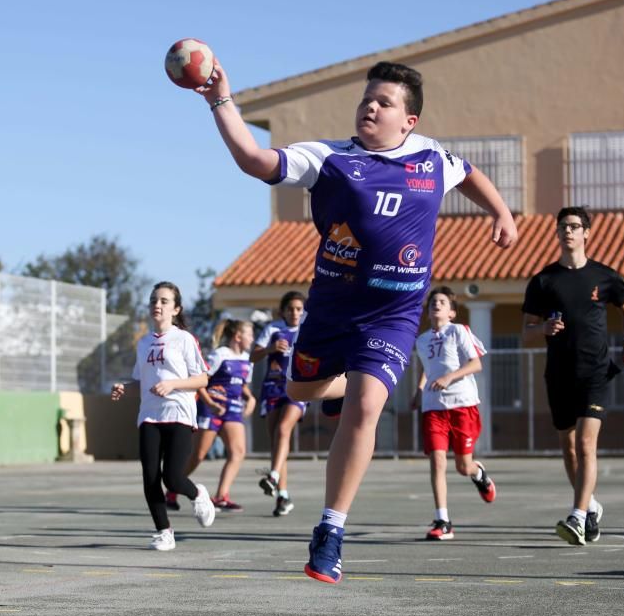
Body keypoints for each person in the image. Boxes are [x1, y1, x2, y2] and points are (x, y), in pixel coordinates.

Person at [199, 58, 517, 582]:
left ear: (408, 120)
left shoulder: (431, 157)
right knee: (300, 391)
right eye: (367, 99)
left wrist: (501, 212)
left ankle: (331, 529)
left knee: (368, 404)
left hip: (393, 312)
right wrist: (220, 101)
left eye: (384, 102)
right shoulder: (329, 159)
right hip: (332, 307)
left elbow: (471, 174)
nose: (370, 106)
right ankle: (346, 383)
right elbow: (255, 159)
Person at [522, 206, 624, 547]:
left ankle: (576, 514)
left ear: (587, 233)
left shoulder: (604, 277)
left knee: (587, 444)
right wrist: (542, 327)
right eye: (563, 227)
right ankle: (590, 506)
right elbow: (525, 333)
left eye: (574, 226)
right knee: (569, 448)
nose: (568, 232)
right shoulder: (543, 281)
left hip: (595, 372)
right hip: (558, 374)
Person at [111, 281, 216, 551]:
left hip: (179, 413)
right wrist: (125, 388)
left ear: (176, 308)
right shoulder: (143, 343)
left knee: (172, 477)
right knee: (149, 477)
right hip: (149, 416)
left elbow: (202, 379)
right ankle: (163, 532)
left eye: (164, 301)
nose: (157, 305)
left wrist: (173, 384)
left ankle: (198, 493)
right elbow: (141, 384)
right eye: (154, 300)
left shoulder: (184, 339)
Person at [413, 286, 496, 541]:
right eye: (432, 303)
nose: (436, 305)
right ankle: (443, 520)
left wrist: (450, 377)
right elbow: (429, 368)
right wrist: (419, 391)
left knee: (463, 466)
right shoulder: (422, 339)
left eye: (441, 302)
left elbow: (476, 363)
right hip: (433, 407)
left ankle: (479, 474)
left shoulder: (459, 331)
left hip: (462, 405)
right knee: (437, 460)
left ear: (451, 312)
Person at [182, 319, 256, 512]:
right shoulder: (220, 355)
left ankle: (221, 496)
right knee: (198, 455)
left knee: (238, 452)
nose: (252, 338)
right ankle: (174, 486)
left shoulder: (248, 360)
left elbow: (242, 385)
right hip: (211, 407)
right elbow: (200, 381)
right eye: (250, 334)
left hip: (232, 409)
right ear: (238, 337)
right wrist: (210, 403)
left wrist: (251, 399)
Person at [254, 291, 307, 516]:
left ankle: (274, 476)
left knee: (284, 429)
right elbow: (252, 356)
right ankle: (283, 496)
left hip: (298, 387)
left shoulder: (309, 328)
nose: (295, 313)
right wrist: (269, 349)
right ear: (282, 311)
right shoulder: (273, 329)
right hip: (273, 388)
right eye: (290, 309)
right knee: (277, 441)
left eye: (298, 309)